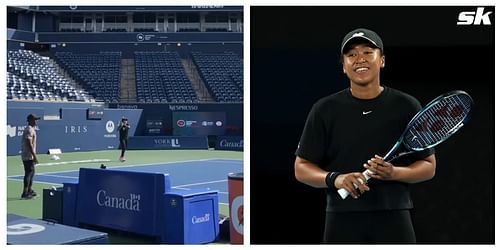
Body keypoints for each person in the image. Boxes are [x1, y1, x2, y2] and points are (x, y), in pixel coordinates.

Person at [294, 28, 437, 243]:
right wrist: (337, 179)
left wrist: (393, 173)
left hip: (394, 216)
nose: (359, 59)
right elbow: (301, 168)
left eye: (368, 52)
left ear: (382, 60)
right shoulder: (324, 109)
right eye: (351, 55)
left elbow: (428, 167)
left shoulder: (406, 105)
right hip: (341, 218)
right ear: (343, 66)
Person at [21, 113, 40, 200]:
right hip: (28, 155)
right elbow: (29, 144)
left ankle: (29, 190)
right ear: (30, 121)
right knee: (28, 173)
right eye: (35, 119)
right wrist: (34, 156)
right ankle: (25, 192)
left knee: (31, 172)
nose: (36, 121)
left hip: (29, 155)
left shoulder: (32, 129)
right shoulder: (29, 130)